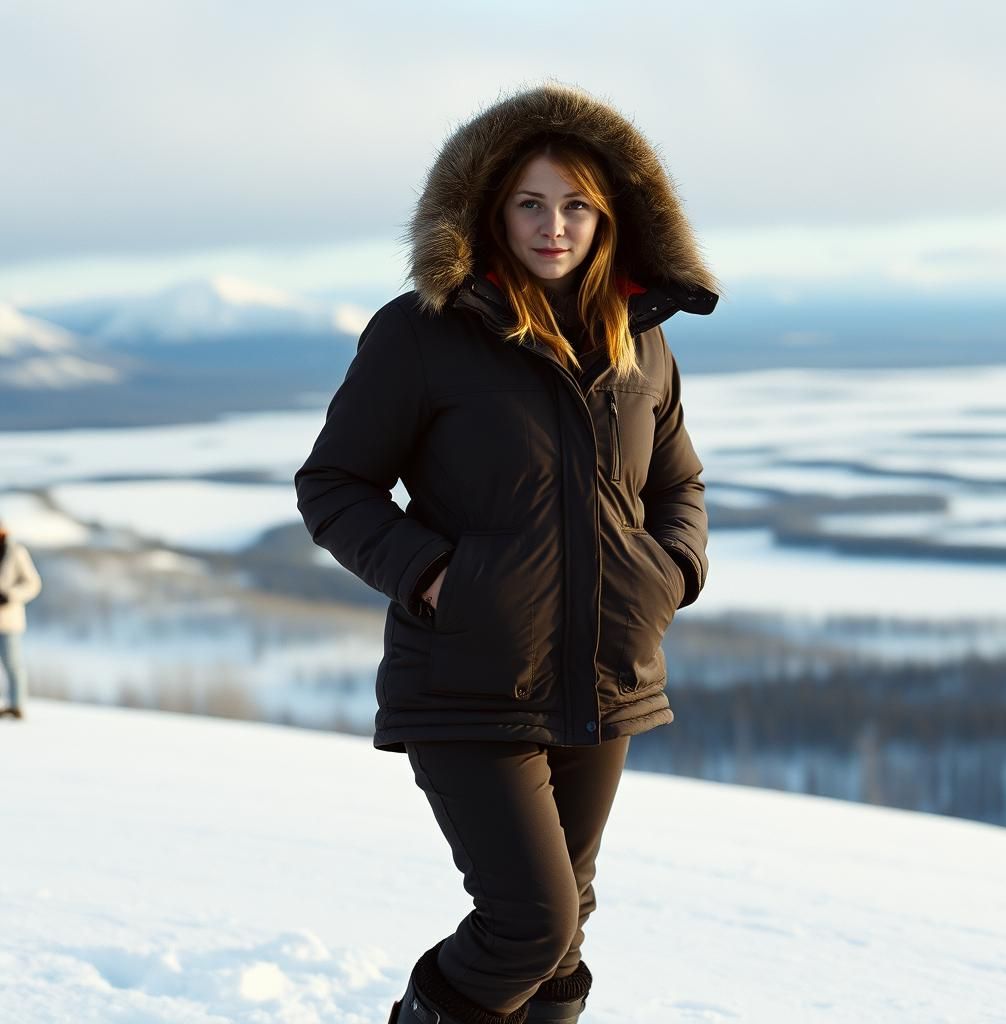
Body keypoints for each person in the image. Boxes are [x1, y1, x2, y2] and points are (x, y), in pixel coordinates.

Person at [294, 81, 720, 1024]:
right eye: (530, 202)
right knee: (528, 921)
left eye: (575, 205)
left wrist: (670, 574)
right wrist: (436, 576)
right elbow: (332, 485)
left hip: (605, 678)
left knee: (567, 927)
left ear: (610, 217)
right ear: (490, 206)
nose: (553, 225)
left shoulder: (640, 343)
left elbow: (679, 487)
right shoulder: (423, 332)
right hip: (468, 677)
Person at [0, 518, 43, 719]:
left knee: (12, 664)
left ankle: (16, 705)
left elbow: (33, 584)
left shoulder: (16, 552)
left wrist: (10, 595)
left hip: (8, 621)